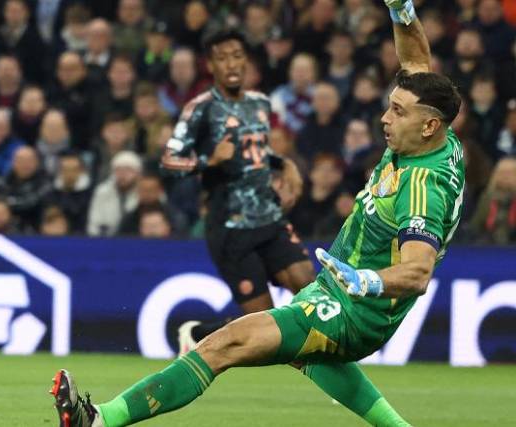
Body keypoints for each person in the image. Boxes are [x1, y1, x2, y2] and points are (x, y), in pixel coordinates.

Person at [52, 4, 466, 426]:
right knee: (308, 356)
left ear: (429, 126)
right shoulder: (434, 135)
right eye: (390, 105)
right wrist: (401, 10)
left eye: (398, 111)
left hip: (355, 311)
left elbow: (417, 272)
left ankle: (99, 419)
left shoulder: (422, 188)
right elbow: (416, 62)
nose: (385, 117)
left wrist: (366, 280)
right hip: (337, 296)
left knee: (222, 344)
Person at [155, 31, 315, 354]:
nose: (231, 63)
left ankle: (331, 371)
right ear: (210, 65)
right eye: (222, 57)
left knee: (309, 285)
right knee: (265, 328)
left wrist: (284, 164)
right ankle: (201, 334)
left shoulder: (260, 103)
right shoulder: (200, 109)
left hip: (268, 217)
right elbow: (169, 161)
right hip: (230, 227)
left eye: (237, 55)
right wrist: (208, 161)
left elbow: (254, 153)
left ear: (246, 61)